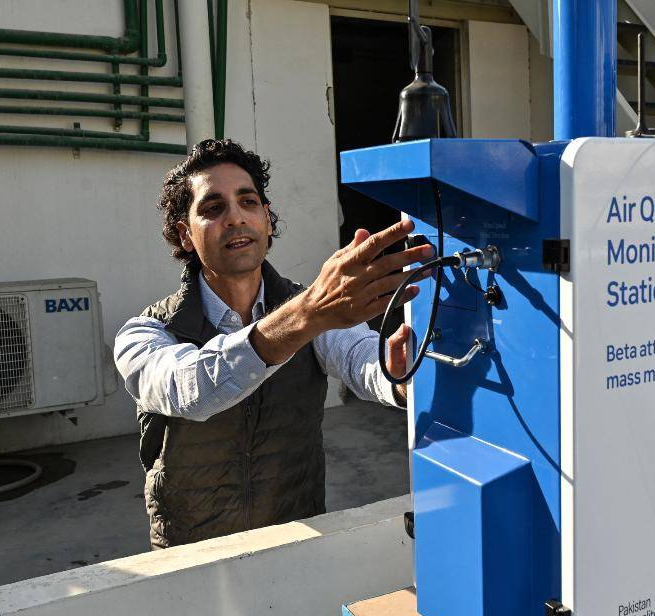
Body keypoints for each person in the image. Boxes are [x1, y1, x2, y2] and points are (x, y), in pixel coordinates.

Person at [114, 138, 432, 549]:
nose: (235, 218)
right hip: (190, 560)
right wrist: (304, 316)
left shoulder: (313, 310)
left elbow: (361, 358)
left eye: (248, 202)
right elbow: (189, 389)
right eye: (213, 209)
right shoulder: (146, 333)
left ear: (267, 218)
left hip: (295, 544)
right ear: (185, 235)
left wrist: (401, 377)